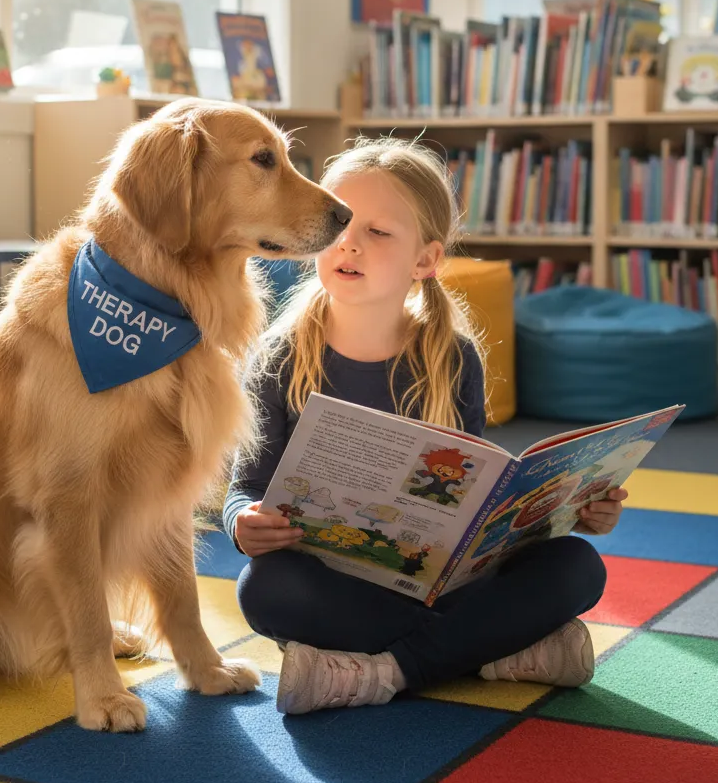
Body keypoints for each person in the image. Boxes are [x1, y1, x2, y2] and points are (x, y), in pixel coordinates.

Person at [222, 137, 625, 716]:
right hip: (338, 582)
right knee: (265, 587)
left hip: (439, 580)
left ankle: (380, 672)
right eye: (336, 222)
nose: (349, 242)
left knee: (578, 566)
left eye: (378, 232)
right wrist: (244, 524)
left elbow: (475, 495)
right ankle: (493, 651)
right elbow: (247, 488)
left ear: (426, 260)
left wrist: (569, 509)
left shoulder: (451, 356)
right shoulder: (278, 358)